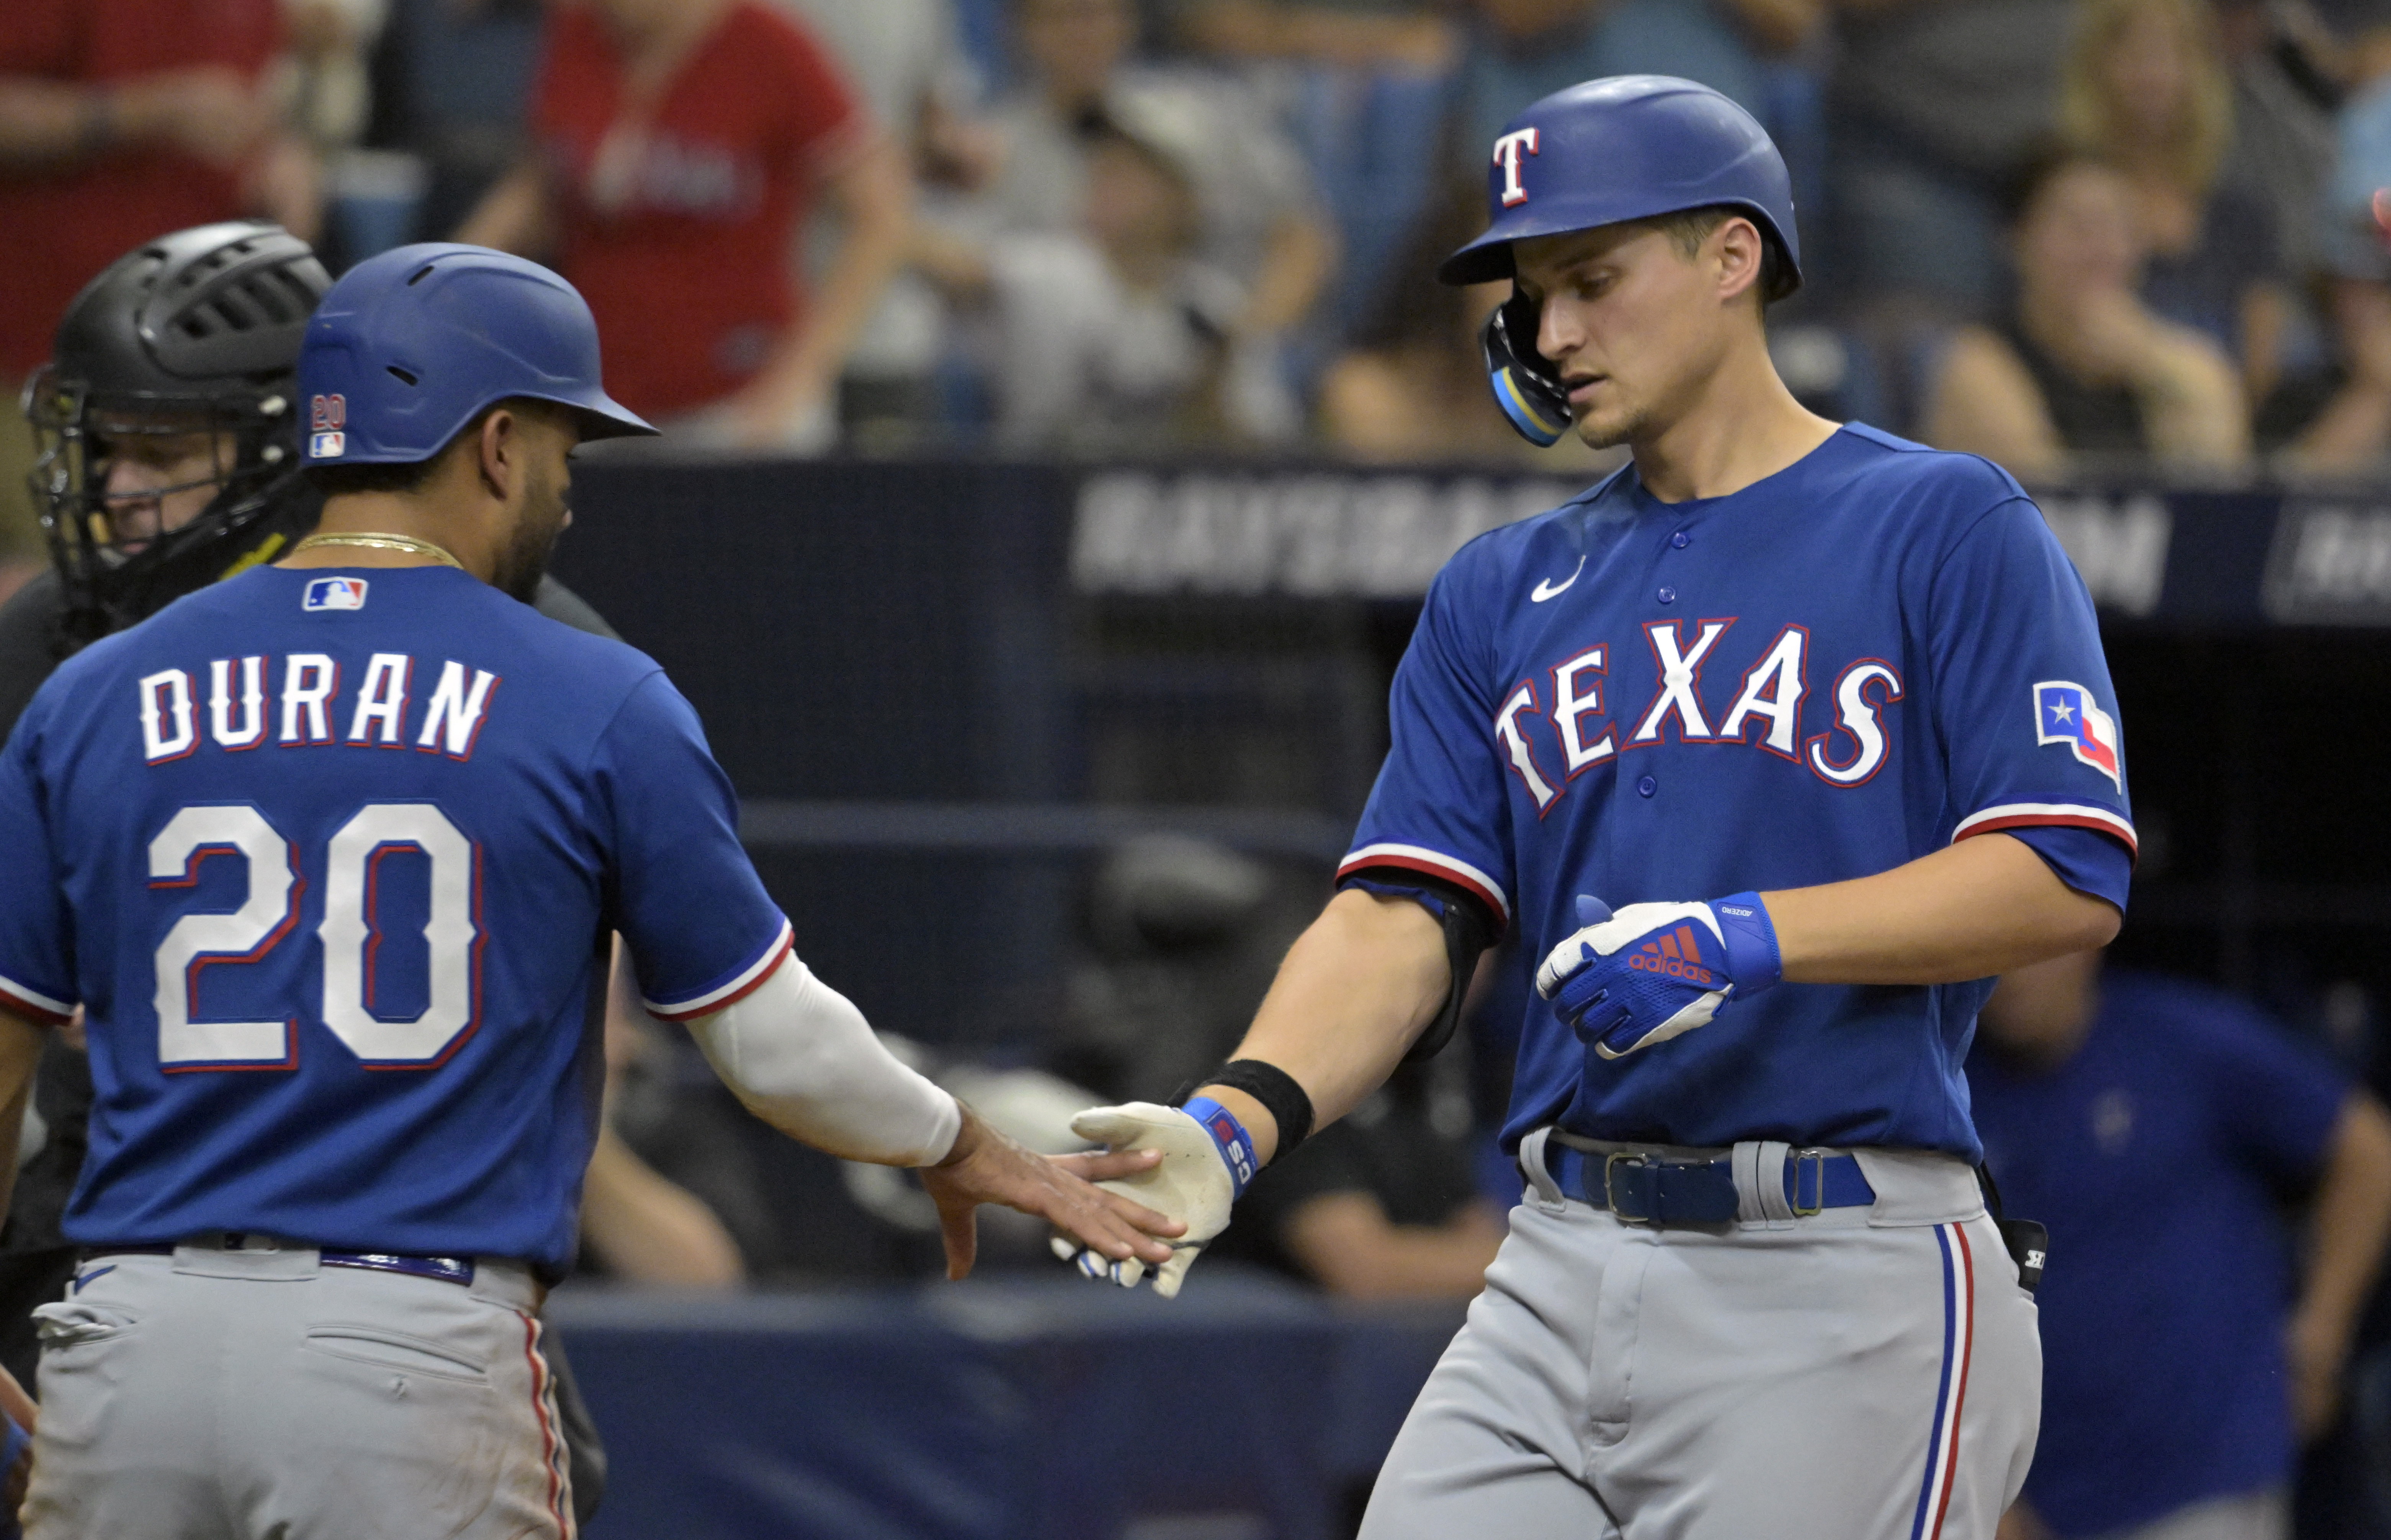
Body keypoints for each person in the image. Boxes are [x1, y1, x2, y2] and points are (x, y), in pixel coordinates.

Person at [1060, 75, 2139, 1539]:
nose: (1551, 333)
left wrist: (1738, 938)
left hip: (1834, 1266)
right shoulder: (1498, 586)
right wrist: (1236, 1117)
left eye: (1590, 280)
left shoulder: (1942, 520)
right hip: (1554, 1256)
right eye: (1531, 295)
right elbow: (1400, 913)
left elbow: (2060, 868)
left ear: (1730, 254)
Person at [0, 241, 1181, 1535]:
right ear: (498, 444)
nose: (565, 493)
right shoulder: (585, 686)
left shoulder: (92, 689)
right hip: (406, 1339)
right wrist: (961, 1145)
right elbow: (774, 1043)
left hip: (125, 1343)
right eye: (565, 452)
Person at [1970, 950, 2391, 1540]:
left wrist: (2318, 1337)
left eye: (2036, 946)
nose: (2013, 971)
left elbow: (2367, 1150)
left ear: (2088, 939)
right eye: (1996, 950)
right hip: (2035, 1498)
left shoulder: (2177, 1039)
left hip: (2203, 1474)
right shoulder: (1946, 1094)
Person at [457, 0, 911, 450]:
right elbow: (543, 186)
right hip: (596, 398)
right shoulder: (577, 31)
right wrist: (449, 277)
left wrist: (803, 374)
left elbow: (879, 215)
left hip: (736, 405)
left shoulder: (769, 44)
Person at [0, 0, 317, 598]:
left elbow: (249, 115)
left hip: (221, 382)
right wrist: (146, 112)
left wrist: (281, 156)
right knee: (60, 604)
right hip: (41, 355)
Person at [971, 0, 1335, 439]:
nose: (1081, 33)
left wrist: (1244, 337)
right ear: (1019, 33)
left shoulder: (1193, 114)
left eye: (1095, 14)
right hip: (1066, 380)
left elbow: (1300, 235)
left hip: (1204, 357)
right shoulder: (990, 147)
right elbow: (966, 265)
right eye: (1058, 17)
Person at [914, 113, 1249, 450]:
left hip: (1158, 492)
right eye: (1103, 166)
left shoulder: (1215, 307)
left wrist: (1213, 388)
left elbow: (1256, 448)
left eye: (1128, 173)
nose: (1103, 182)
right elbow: (934, 256)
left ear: (1184, 199)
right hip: (1038, 488)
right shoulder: (1048, 268)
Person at [1921, 146, 2251, 479]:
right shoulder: (1978, 363)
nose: (2099, 248)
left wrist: (2150, 361)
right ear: (2018, 240)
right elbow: (2045, 506)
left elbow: (2220, 489)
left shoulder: (2179, 359)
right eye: (2076, 226)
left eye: (2116, 225)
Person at [2060, 0, 2295, 412]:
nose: (2150, 75)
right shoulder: (2067, 208)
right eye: (2132, 53)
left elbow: (2260, 373)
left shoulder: (2243, 217)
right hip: (2093, 429)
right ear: (2096, 66)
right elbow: (2066, 345)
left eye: (2169, 54)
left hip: (2218, 440)